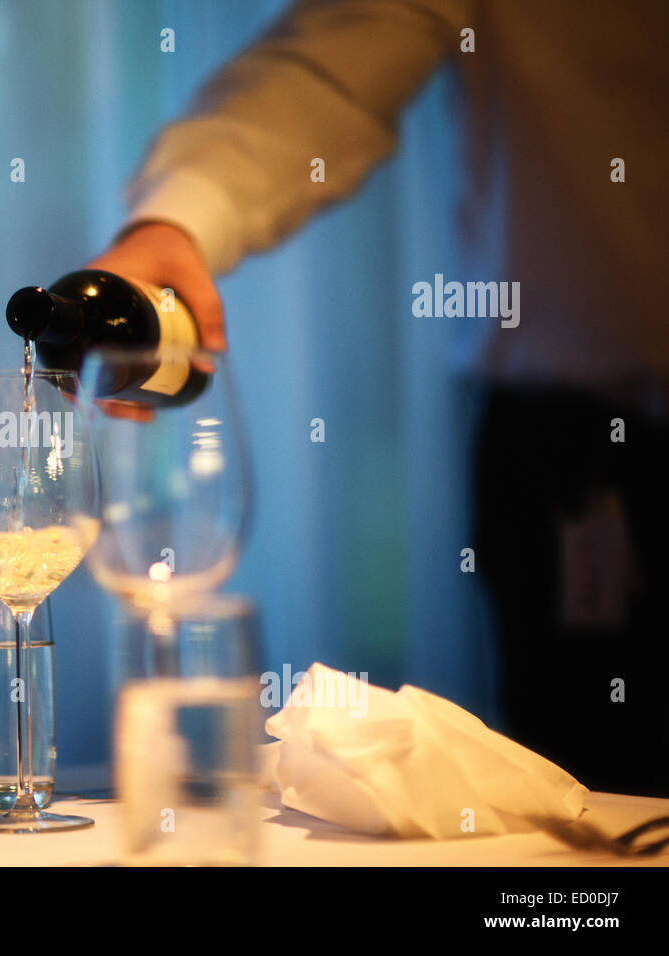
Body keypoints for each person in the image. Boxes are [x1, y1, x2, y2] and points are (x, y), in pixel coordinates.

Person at [89, 0, 668, 795]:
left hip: (569, 435)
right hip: (575, 455)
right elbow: (330, 61)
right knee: (589, 796)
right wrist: (177, 219)